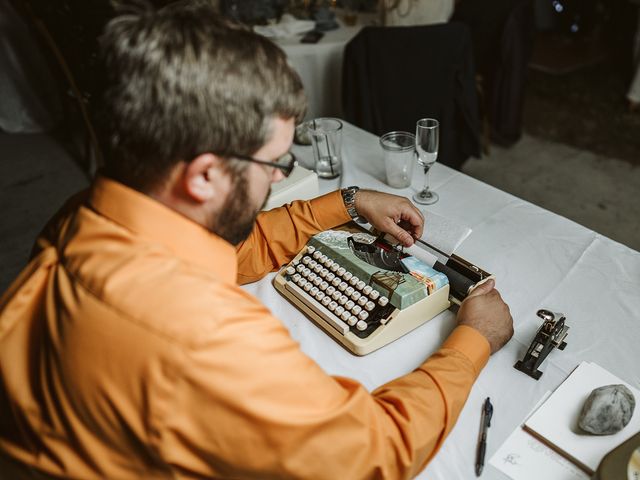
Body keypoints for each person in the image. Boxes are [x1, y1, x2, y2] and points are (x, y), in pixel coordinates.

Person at [0, 2, 513, 478]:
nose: (276, 178)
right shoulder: (203, 336)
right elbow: (373, 453)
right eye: (276, 163)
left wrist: (348, 203)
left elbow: (232, 251)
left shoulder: (83, 215)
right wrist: (474, 341)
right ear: (203, 176)